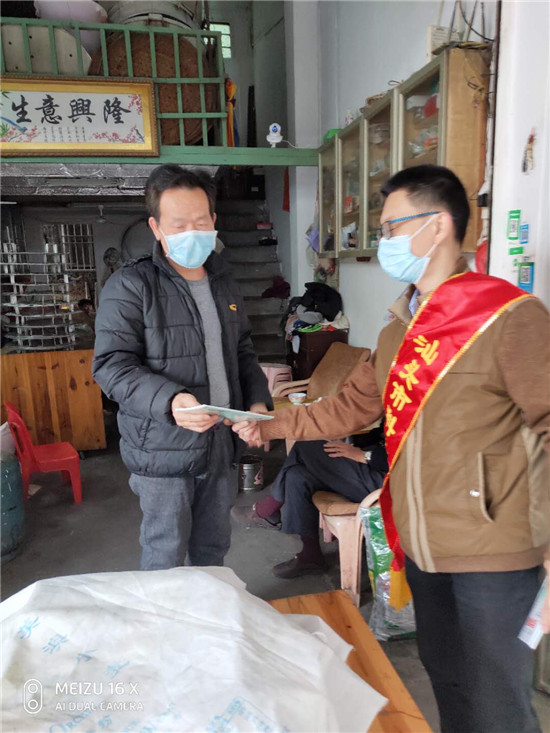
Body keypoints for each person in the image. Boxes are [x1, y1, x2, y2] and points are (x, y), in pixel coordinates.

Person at [233, 165, 550, 733]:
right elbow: (351, 407)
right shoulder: (397, 331)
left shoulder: (508, 317)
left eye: (392, 227)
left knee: (498, 702)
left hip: (494, 549)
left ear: (439, 226)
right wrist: (272, 426)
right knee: (447, 679)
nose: (384, 241)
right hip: (422, 542)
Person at [93, 164, 271, 570]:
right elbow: (111, 365)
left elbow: (243, 351)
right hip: (163, 450)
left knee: (213, 550)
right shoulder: (131, 285)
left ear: (214, 220)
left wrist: (257, 403)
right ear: (156, 228)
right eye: (178, 224)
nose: (192, 232)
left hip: (220, 444)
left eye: (200, 221)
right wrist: (171, 401)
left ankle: (207, 610)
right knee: (165, 555)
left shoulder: (224, 282)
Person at [231, 427, 388, 578]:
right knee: (297, 475)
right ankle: (310, 555)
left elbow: (400, 458)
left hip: (387, 482)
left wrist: (365, 455)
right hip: (373, 464)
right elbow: (382, 435)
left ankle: (266, 509)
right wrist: (354, 444)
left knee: (305, 445)